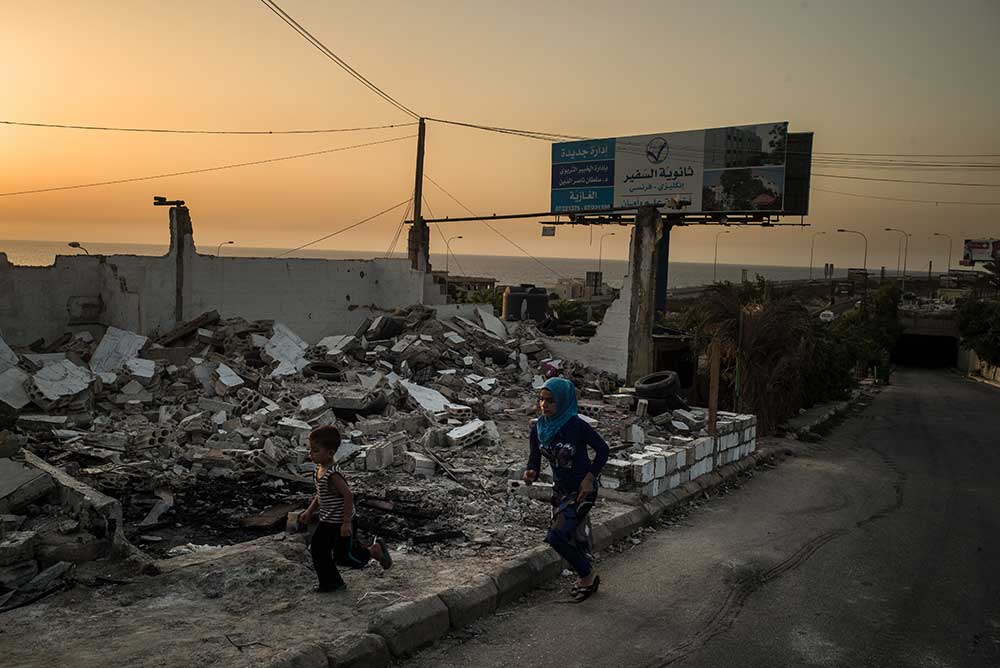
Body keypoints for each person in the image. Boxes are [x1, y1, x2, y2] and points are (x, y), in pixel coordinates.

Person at [524, 377, 609, 602]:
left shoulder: (576, 426)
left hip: (582, 491)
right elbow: (534, 460)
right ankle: (585, 577)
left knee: (556, 536)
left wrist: (589, 479)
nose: (544, 405)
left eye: (551, 401)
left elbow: (603, 450)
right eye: (541, 399)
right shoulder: (539, 428)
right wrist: (531, 472)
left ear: (563, 401)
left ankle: (587, 576)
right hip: (559, 491)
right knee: (572, 536)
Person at [299, 425, 392, 592]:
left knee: (345, 557)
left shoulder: (333, 474)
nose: (310, 454)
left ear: (330, 453)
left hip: (341, 522)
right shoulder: (319, 469)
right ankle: (332, 583)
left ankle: (374, 551)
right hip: (327, 520)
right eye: (310, 449)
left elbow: (348, 495)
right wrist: (309, 511)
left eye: (315, 450)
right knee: (319, 550)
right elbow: (321, 495)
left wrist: (346, 523)